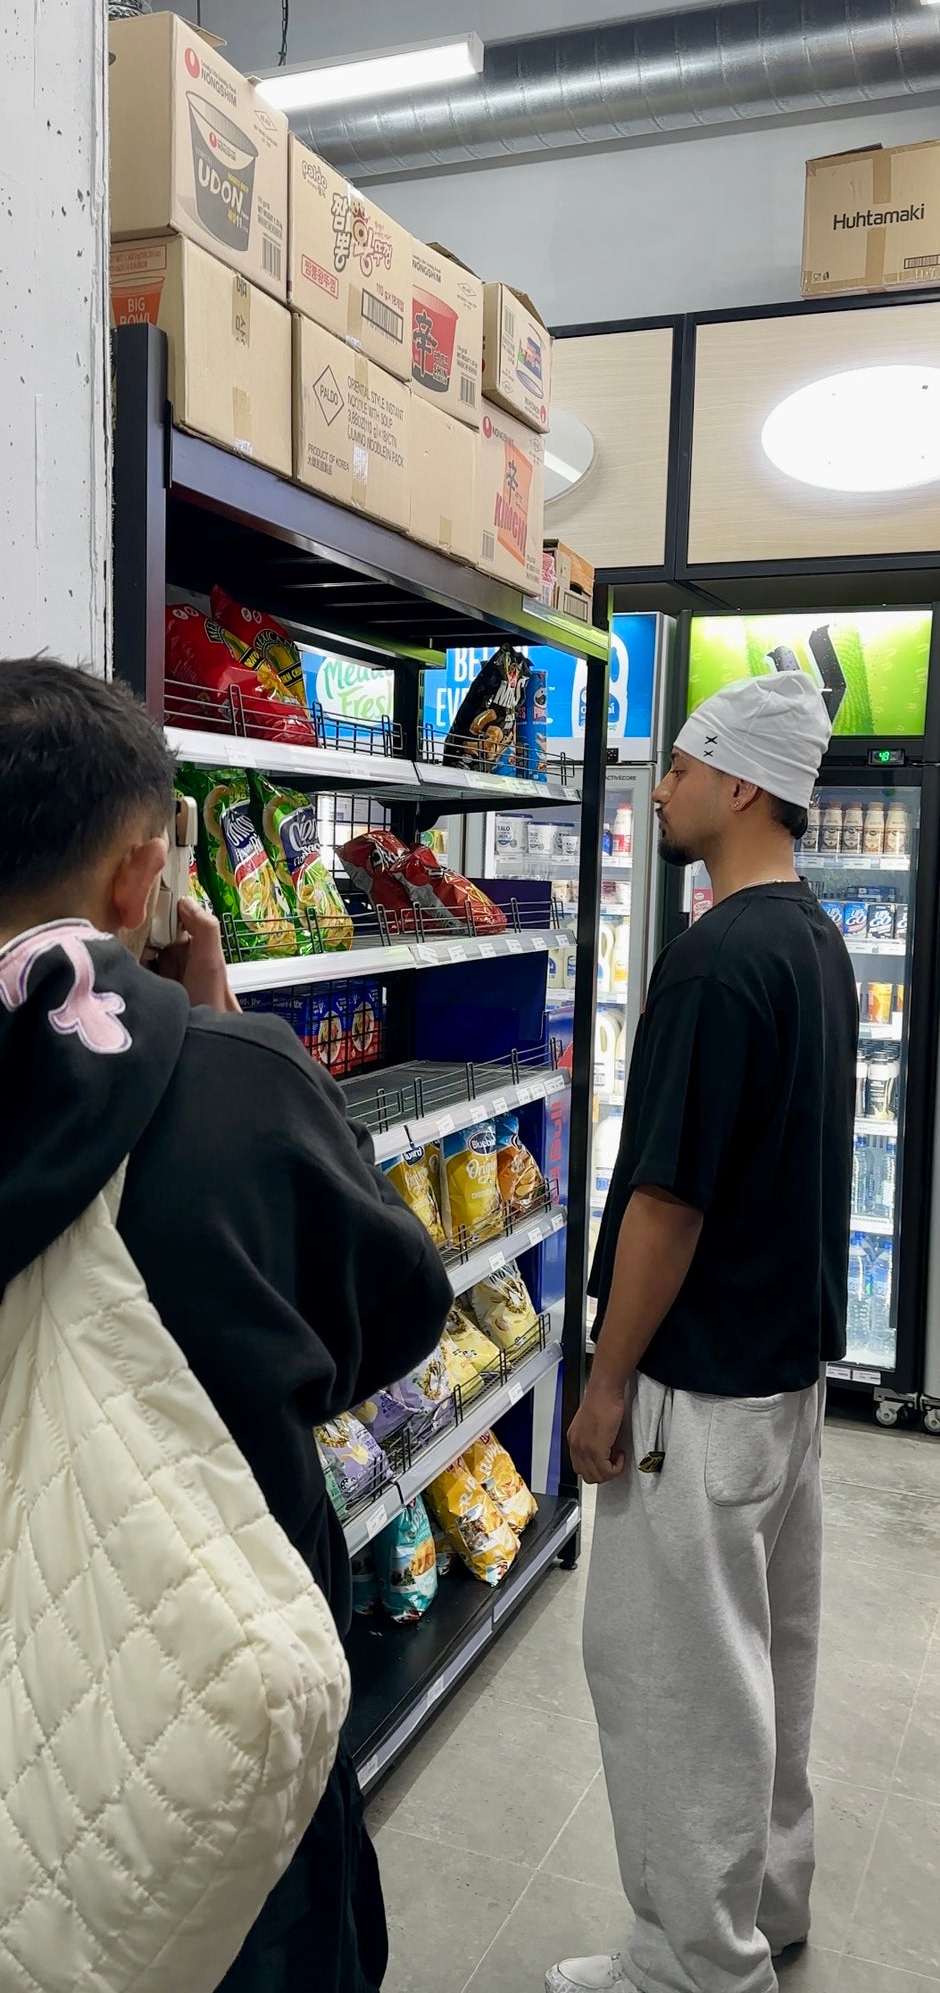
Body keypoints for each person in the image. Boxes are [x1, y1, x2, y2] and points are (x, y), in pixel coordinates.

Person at [0, 657, 453, 1993]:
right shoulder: (230, 1090)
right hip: (186, 1725)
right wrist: (223, 1040)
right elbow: (386, 1320)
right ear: (143, 883)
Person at [549, 672, 858, 1993]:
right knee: (768, 1662)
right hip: (786, 1375)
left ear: (736, 784)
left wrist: (608, 1384)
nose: (660, 787)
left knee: (675, 1684)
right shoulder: (815, 939)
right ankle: (769, 1903)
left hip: (701, 1383)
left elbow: (668, 1203)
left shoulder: (716, 957)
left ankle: (692, 1968)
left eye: (677, 767)